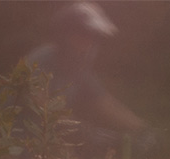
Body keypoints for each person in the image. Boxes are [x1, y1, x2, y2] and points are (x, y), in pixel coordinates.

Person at [23, 2, 153, 148]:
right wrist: (89, 133)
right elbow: (44, 109)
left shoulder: (78, 70)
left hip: (44, 148)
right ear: (64, 35)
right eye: (83, 34)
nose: (89, 43)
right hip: (12, 145)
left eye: (93, 36)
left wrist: (143, 129)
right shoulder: (40, 61)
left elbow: (105, 103)